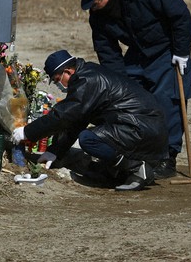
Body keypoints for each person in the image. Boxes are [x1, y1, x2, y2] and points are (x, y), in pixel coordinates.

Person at [76, 0, 191, 179]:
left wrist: (182, 52)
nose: (92, 9)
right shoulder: (98, 16)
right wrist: (120, 84)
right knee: (129, 102)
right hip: (138, 54)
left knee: (168, 100)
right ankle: (138, 154)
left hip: (167, 50)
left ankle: (168, 157)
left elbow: (180, 16)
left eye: (94, 3)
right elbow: (107, 51)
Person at [11, 50, 167, 191]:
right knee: (92, 136)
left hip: (142, 128)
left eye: (58, 79)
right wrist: (55, 151)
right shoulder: (87, 74)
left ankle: (137, 168)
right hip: (142, 126)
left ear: (68, 71)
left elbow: (63, 116)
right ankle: (118, 171)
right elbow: (77, 119)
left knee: (89, 139)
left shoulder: (87, 80)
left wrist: (27, 132)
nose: (58, 85)